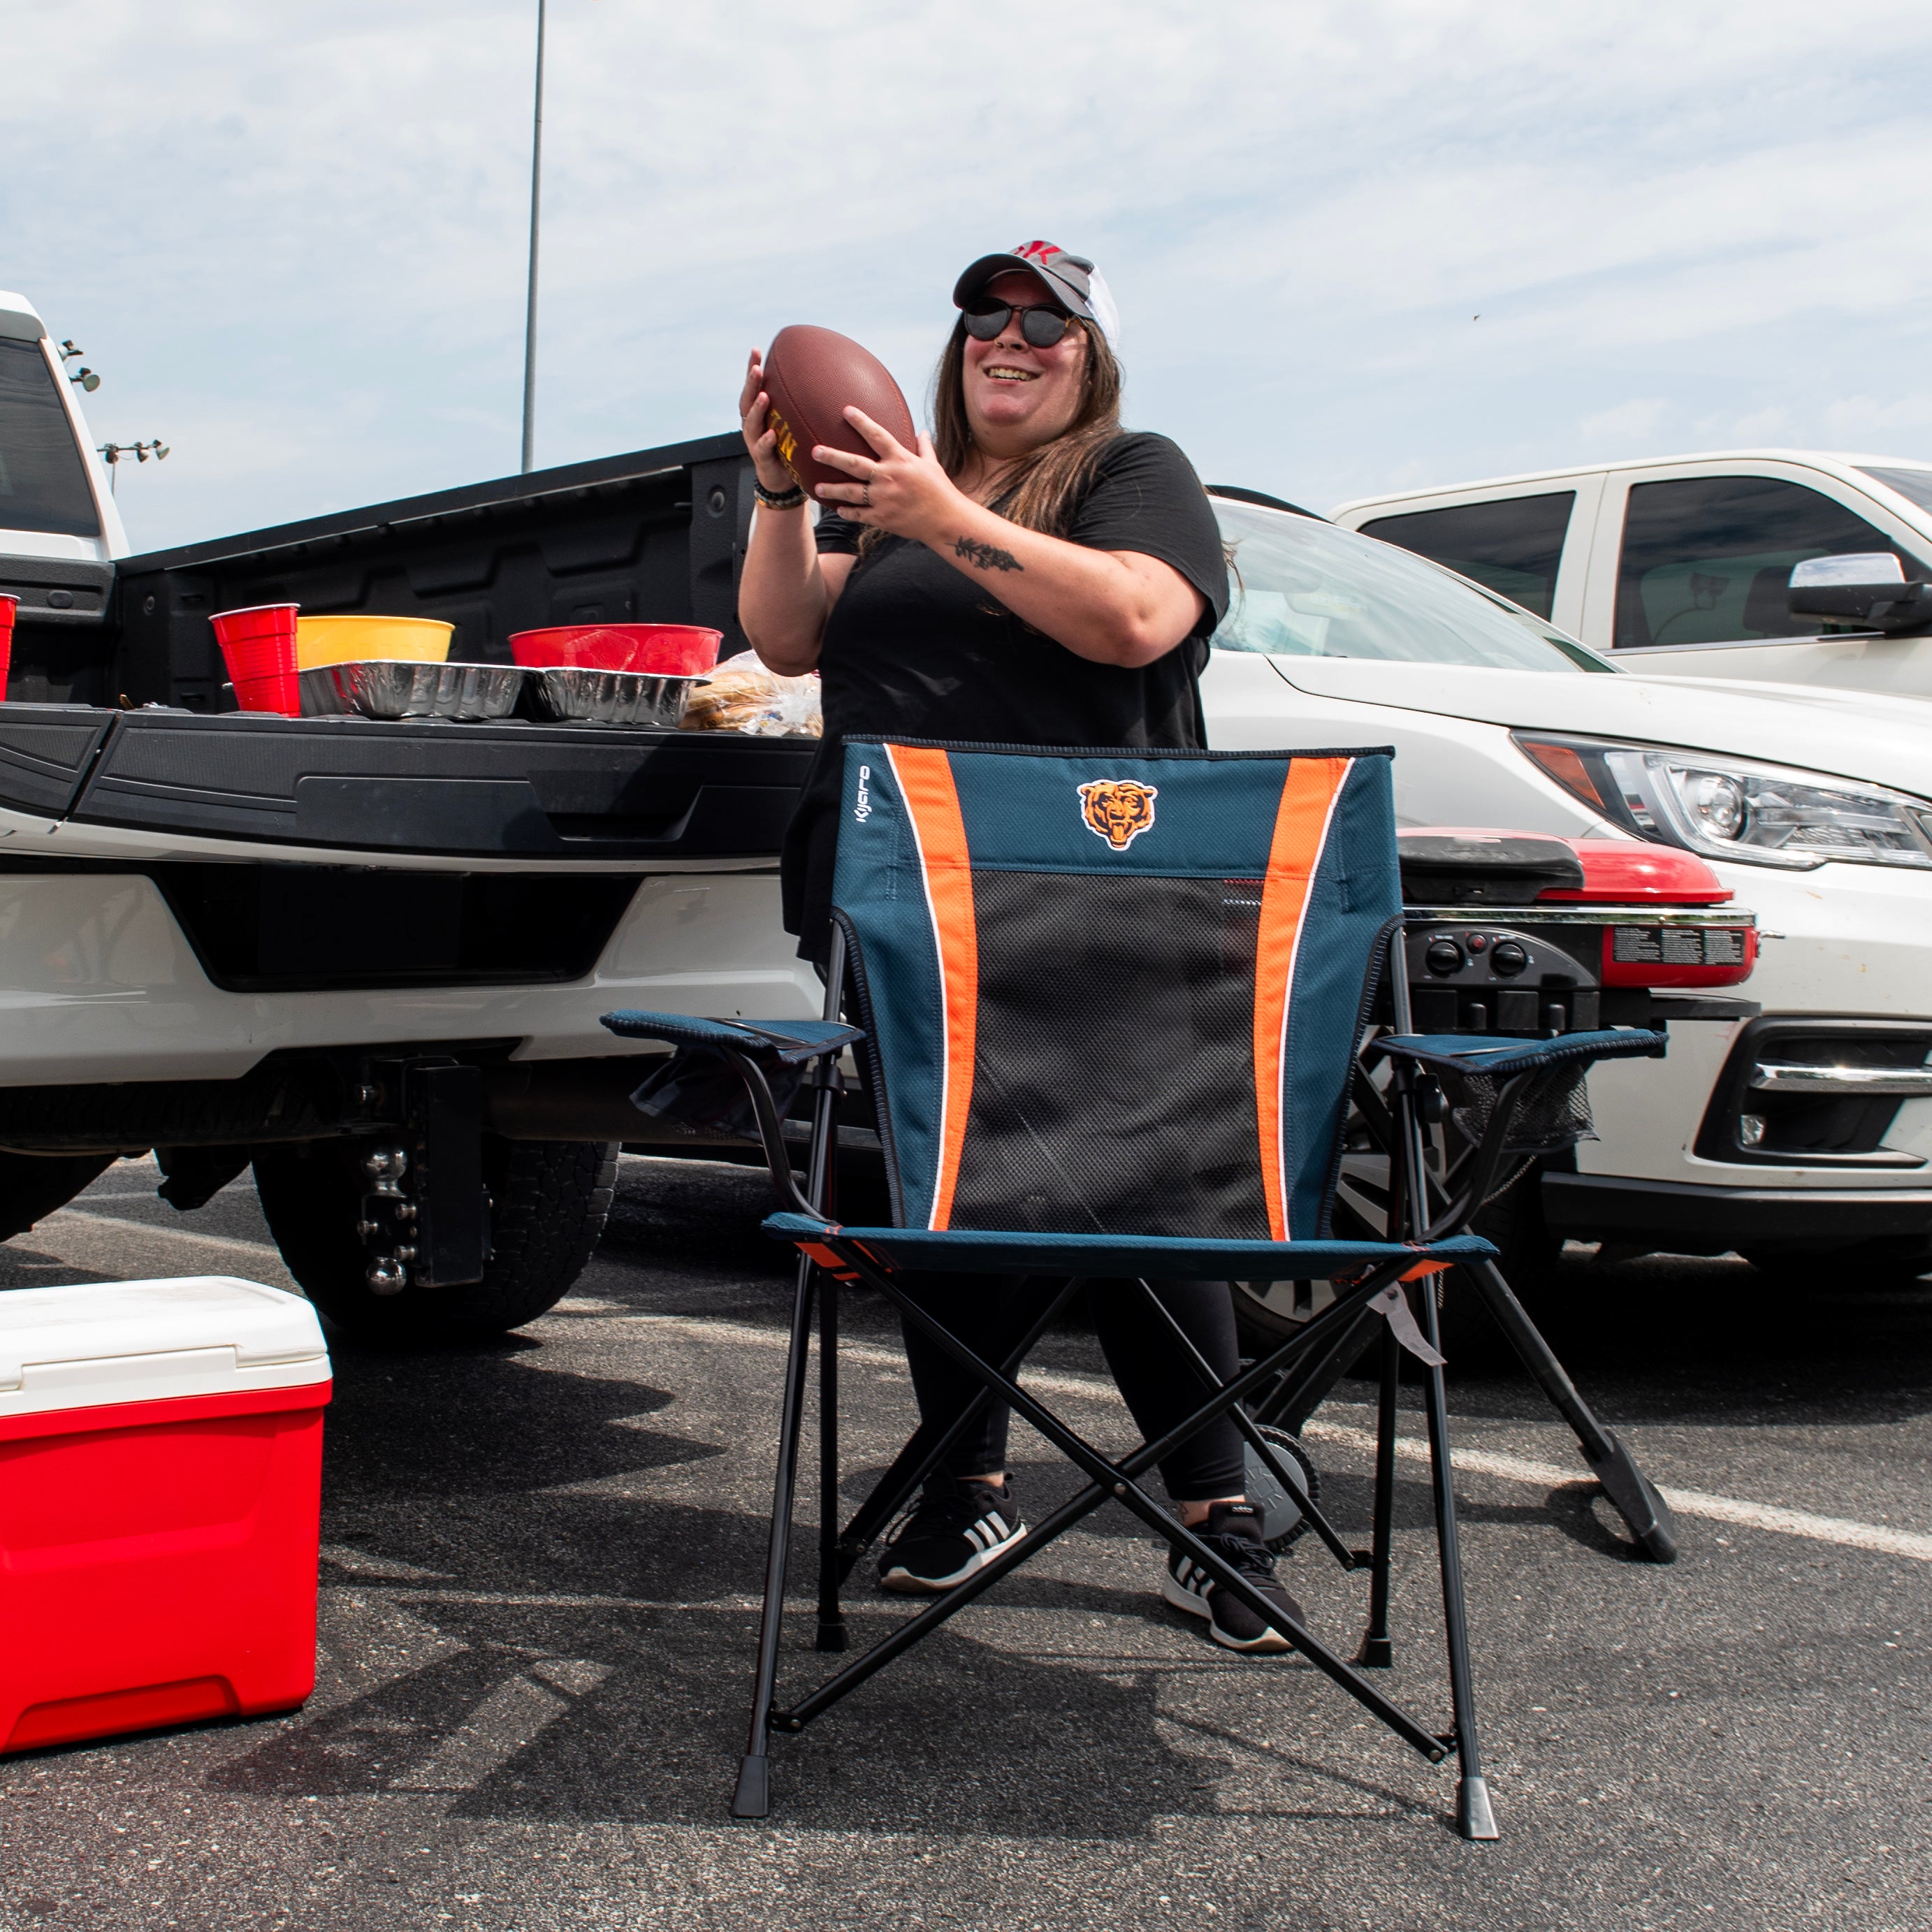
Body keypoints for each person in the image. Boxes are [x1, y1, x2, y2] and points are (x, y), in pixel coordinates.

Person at [734, 241, 1300, 1653]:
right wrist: (783, 495)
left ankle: (1215, 1512)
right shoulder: (909, 493)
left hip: (1098, 884)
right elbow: (788, 637)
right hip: (910, 889)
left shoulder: (1131, 473)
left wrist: (936, 513)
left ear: (1090, 356)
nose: (1012, 334)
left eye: (1048, 319)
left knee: (1138, 1199)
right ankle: (965, 1483)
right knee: (951, 1191)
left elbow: (1134, 618)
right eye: (988, 312)